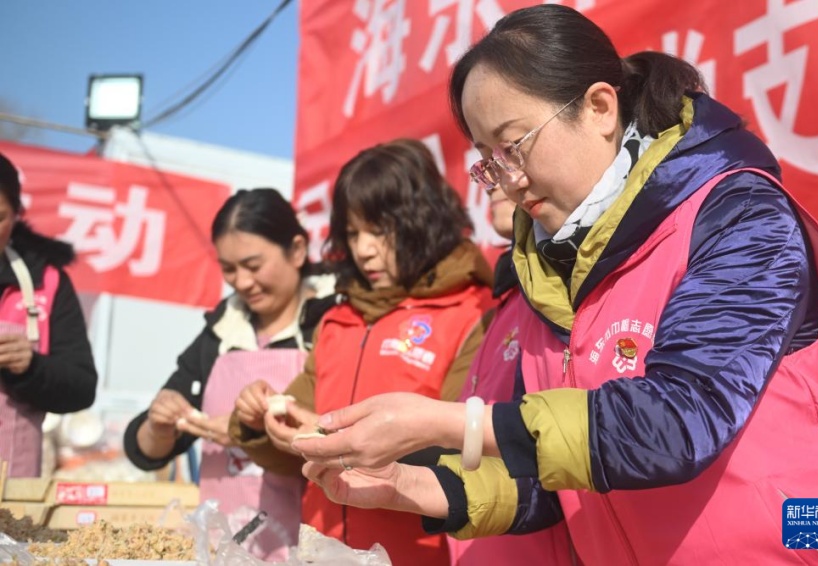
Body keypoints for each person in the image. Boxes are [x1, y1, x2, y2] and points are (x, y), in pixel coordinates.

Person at [290, 5, 818, 565]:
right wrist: (401, 486)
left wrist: (448, 423)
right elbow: (560, 476)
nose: (507, 181)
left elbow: (683, 418)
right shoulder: (555, 269)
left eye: (514, 145)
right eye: (488, 162)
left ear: (600, 107)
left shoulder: (736, 212)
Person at [230, 139, 495, 565]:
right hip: (322, 551)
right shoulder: (338, 321)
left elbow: (469, 453)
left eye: (379, 230)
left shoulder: (473, 315)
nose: (364, 249)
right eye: (352, 233)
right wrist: (260, 420)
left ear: (423, 220)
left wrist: (334, 439)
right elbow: (292, 442)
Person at [123, 188, 335, 560]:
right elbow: (145, 451)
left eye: (253, 266)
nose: (241, 282)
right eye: (229, 269)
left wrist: (250, 431)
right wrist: (159, 425)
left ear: (298, 250)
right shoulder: (223, 330)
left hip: (319, 541)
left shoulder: (333, 321)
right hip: (230, 544)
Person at [450, 185, 573, 566]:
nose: (492, 179)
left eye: (510, 143)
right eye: (486, 154)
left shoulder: (564, 296)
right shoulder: (500, 306)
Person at [0, 152, 97, 478]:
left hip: (12, 492)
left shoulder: (47, 281)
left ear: (16, 215)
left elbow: (81, 387)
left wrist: (30, 367)